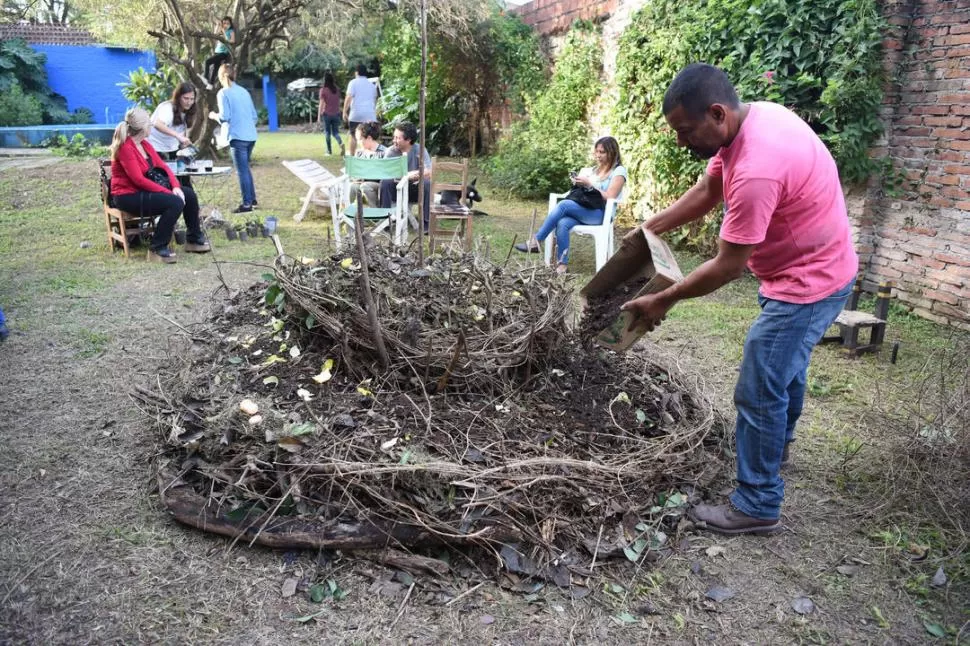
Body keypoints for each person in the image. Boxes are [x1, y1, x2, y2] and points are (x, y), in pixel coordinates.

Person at [621, 63, 858, 535]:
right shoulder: (754, 120)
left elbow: (729, 266)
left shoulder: (756, 169)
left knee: (759, 387)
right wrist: (651, 227)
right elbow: (710, 186)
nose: (680, 141)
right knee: (784, 373)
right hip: (821, 269)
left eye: (685, 131)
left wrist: (662, 300)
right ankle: (777, 447)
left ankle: (757, 503)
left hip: (807, 284)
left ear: (716, 113)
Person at [109, 107, 211, 263]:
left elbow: (163, 167)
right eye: (149, 124)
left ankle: (193, 239)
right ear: (143, 128)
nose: (151, 127)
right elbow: (138, 180)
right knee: (174, 202)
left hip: (144, 191)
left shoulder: (145, 145)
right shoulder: (125, 148)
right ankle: (156, 247)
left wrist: (175, 186)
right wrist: (167, 192)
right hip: (127, 195)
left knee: (188, 194)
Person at [514, 136, 626, 274]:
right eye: (596, 151)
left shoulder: (619, 171)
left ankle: (536, 241)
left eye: (602, 152)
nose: (598, 155)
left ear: (612, 152)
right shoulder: (593, 170)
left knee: (564, 205)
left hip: (601, 213)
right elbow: (587, 192)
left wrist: (590, 184)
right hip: (585, 208)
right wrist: (579, 184)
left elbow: (610, 196)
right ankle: (562, 264)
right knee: (562, 222)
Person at [209, 63, 258, 213]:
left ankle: (247, 204)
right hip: (251, 136)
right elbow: (254, 116)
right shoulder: (243, 91)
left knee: (242, 171)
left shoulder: (223, 93)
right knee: (245, 169)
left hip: (237, 137)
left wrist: (213, 115)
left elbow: (225, 117)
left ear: (220, 76)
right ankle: (252, 200)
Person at [378, 122, 431, 228]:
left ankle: (425, 223)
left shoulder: (420, 150)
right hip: (395, 189)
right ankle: (385, 221)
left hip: (414, 189)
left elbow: (428, 171)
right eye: (394, 137)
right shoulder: (390, 152)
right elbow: (385, 172)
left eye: (397, 138)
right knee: (385, 181)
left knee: (427, 183)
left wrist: (413, 175)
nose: (394, 140)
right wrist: (406, 175)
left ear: (408, 140)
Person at [147, 82, 197, 160]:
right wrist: (178, 136)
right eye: (186, 98)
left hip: (171, 148)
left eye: (192, 99)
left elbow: (180, 132)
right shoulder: (168, 108)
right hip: (154, 147)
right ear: (178, 97)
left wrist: (183, 143)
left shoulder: (188, 111)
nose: (189, 102)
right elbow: (157, 124)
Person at [342, 64, 378, 156]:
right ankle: (371, 156)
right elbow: (374, 100)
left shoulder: (353, 82)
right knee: (370, 137)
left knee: (353, 136)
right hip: (370, 115)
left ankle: (353, 157)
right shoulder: (372, 85)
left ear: (356, 73)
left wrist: (344, 111)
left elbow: (349, 97)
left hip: (356, 114)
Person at [351, 120, 388, 206]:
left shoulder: (384, 152)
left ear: (369, 138)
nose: (358, 143)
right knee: (352, 187)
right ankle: (350, 214)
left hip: (378, 184)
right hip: (361, 182)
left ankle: (375, 214)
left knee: (366, 186)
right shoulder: (359, 153)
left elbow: (386, 175)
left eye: (360, 140)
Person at [317, 72, 344, 156]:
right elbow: (338, 101)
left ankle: (329, 151)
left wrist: (318, 116)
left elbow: (321, 104)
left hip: (327, 114)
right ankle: (340, 143)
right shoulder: (337, 89)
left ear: (325, 80)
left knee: (327, 132)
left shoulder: (323, 90)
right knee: (335, 132)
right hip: (336, 114)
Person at [204, 17, 235, 87]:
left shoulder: (231, 31)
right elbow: (214, 34)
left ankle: (205, 78)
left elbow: (231, 41)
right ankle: (210, 85)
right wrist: (218, 25)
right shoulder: (221, 30)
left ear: (230, 24)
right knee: (215, 69)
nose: (226, 25)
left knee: (207, 62)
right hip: (217, 51)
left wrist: (224, 31)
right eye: (224, 23)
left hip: (223, 53)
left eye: (228, 23)